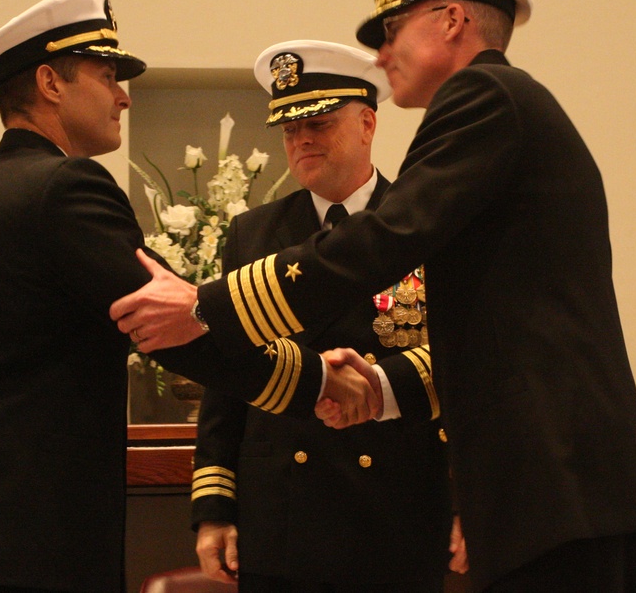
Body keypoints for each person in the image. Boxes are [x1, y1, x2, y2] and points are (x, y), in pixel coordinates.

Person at [111, 0, 636, 593]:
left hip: (549, 474)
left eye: (393, 28)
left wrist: (207, 306)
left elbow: (382, 236)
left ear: (453, 21)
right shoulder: (497, 103)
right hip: (544, 481)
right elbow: (486, 325)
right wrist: (380, 392)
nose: (381, 54)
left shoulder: (483, 96)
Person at [0, 0, 377, 593]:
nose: (123, 98)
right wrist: (322, 380)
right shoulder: (65, 189)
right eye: (108, 76)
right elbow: (175, 329)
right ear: (50, 83)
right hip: (18, 546)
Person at [193, 40, 453, 593]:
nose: (302, 139)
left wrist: (469, 498)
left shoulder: (423, 221)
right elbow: (226, 376)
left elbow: (463, 366)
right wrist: (215, 507)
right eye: (290, 129)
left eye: (320, 122)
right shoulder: (254, 233)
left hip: (398, 511)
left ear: (367, 124)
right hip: (283, 517)